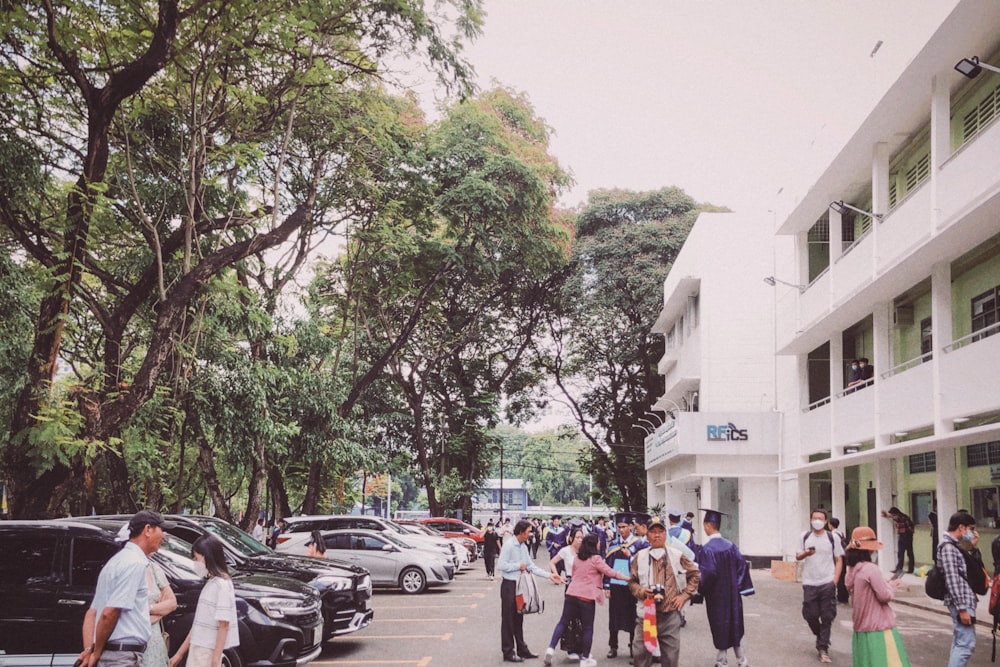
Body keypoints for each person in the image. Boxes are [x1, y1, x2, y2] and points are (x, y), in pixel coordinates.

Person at [78, 509, 177, 667]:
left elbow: (93, 612)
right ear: (148, 530)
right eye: (161, 529)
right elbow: (109, 613)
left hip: (116, 654)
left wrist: (91, 649)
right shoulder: (134, 564)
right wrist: (96, 652)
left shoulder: (115, 562)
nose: (164, 536)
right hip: (121, 656)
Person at [544, 533, 628, 667]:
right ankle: (585, 658)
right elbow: (610, 572)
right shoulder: (596, 559)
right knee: (588, 628)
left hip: (571, 594)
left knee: (563, 622)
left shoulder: (577, 558)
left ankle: (550, 650)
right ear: (595, 544)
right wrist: (627, 578)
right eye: (599, 542)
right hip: (587, 597)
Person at [629, 514, 700, 667]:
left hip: (670, 615)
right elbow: (632, 582)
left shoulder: (677, 555)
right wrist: (642, 592)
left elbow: (695, 574)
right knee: (641, 656)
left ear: (665, 533)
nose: (657, 535)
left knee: (670, 658)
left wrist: (684, 596)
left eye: (660, 531)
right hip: (647, 614)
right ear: (647, 535)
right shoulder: (639, 557)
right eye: (653, 532)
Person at [498, 519, 564, 662]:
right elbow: (501, 565)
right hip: (509, 585)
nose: (531, 534)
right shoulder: (509, 545)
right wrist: (517, 566)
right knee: (508, 620)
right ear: (521, 532)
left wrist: (550, 576)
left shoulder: (523, 546)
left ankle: (522, 649)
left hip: (519, 587)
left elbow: (531, 566)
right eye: (529, 531)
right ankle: (508, 652)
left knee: (519, 617)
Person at [843, 526, 910, 667]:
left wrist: (886, 583)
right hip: (878, 627)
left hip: (860, 626)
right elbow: (884, 596)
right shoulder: (871, 568)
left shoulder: (851, 569)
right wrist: (892, 586)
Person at [170, 535, 239, 667]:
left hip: (207, 653)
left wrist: (215, 660)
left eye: (197, 558)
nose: (195, 563)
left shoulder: (222, 585)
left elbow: (224, 625)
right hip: (198, 650)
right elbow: (198, 625)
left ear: (207, 556)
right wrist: (179, 654)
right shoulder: (211, 583)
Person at [697, 509, 753, 667]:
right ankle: (742, 661)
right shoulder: (731, 546)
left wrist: (699, 590)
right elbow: (742, 568)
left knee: (719, 625)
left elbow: (707, 574)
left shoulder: (707, 549)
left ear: (708, 525)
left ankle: (722, 662)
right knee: (735, 624)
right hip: (733, 596)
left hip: (716, 597)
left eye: (704, 525)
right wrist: (740, 587)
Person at [795, 508, 843, 664]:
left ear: (826, 521)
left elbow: (839, 559)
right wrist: (806, 553)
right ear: (810, 520)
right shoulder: (805, 536)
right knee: (811, 614)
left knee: (827, 616)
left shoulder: (832, 537)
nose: (817, 521)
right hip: (809, 582)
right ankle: (820, 635)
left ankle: (823, 648)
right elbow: (797, 555)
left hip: (827, 582)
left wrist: (835, 580)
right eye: (814, 518)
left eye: (820, 518)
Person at [939, 511, 979, 667]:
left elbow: (967, 570)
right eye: (970, 529)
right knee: (965, 645)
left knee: (959, 643)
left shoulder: (955, 546)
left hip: (963, 600)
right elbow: (952, 579)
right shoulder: (948, 547)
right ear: (961, 527)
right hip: (961, 602)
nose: (972, 533)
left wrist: (972, 546)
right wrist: (962, 608)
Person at [605, 512, 642, 660]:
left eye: (624, 526)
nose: (621, 530)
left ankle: (633, 648)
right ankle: (613, 646)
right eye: (619, 527)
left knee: (632, 617)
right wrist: (606, 585)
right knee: (613, 617)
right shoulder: (613, 544)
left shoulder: (639, 544)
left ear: (631, 527)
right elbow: (607, 566)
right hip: (615, 585)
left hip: (631, 585)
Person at [145, 560, 177, 667]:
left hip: (154, 637)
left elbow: (172, 603)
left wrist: (150, 609)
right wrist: (160, 609)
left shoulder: (154, 568)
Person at [881, 507, 915, 576]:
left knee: (907, 553)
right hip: (904, 536)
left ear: (896, 513)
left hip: (906, 536)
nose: (892, 515)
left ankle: (906, 569)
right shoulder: (901, 516)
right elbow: (894, 517)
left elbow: (896, 518)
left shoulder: (902, 518)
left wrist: (887, 515)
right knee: (903, 553)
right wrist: (887, 516)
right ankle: (902, 568)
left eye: (893, 514)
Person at [828, 518, 850, 604]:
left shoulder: (833, 535)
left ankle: (841, 598)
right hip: (844, 556)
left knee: (839, 577)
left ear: (830, 525)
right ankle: (844, 596)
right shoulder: (841, 533)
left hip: (838, 557)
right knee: (843, 576)